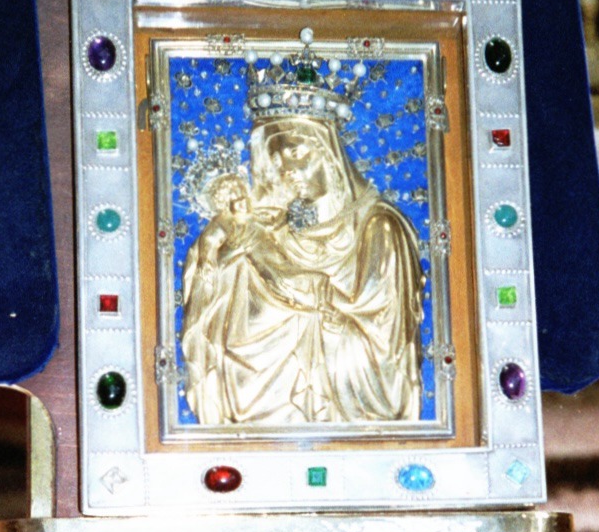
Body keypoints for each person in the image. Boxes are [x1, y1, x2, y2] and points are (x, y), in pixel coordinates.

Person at [181, 109, 424, 427]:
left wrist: (314, 307)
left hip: (356, 395)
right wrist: (215, 252)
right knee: (237, 269)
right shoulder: (276, 235)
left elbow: (384, 350)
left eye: (296, 152)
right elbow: (227, 277)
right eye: (278, 160)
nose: (287, 170)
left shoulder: (380, 228)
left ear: (329, 152)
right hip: (256, 405)